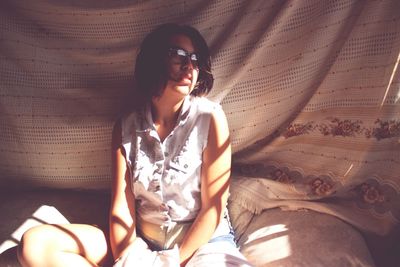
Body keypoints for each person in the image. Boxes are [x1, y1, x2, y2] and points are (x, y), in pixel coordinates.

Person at [17, 23, 252, 267]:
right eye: (178, 55)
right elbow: (121, 207)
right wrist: (127, 256)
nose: (189, 66)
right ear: (155, 61)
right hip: (141, 241)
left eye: (195, 59)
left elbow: (213, 208)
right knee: (35, 244)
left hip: (202, 245)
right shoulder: (125, 126)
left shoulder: (210, 118)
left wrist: (170, 262)